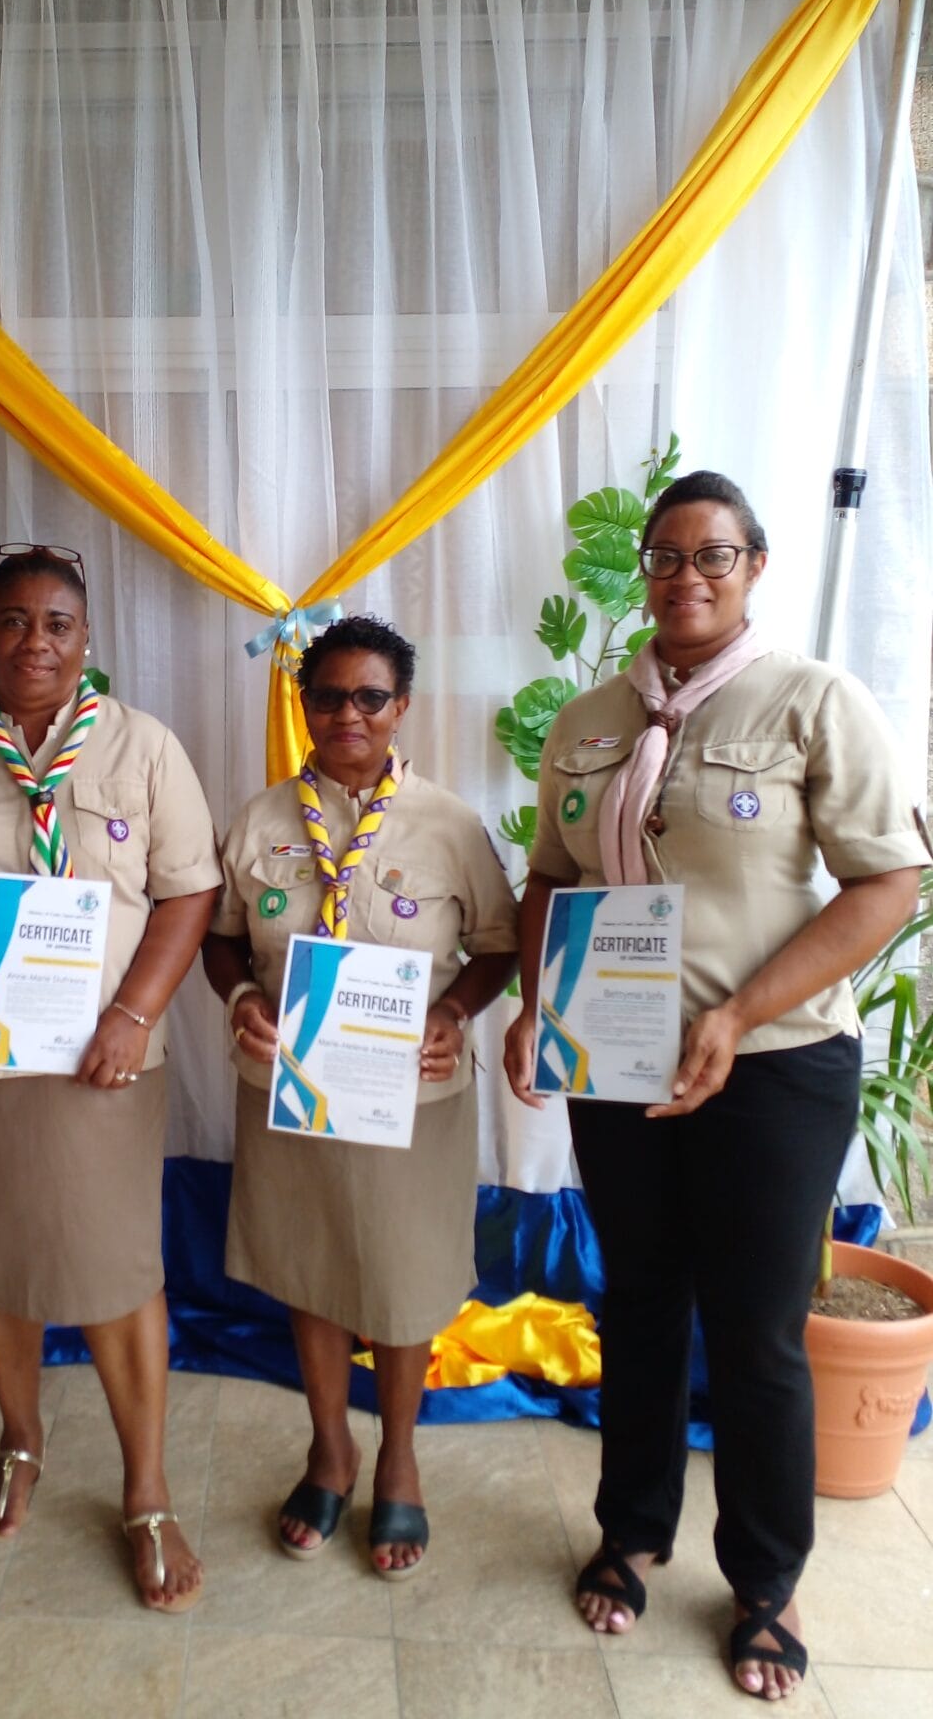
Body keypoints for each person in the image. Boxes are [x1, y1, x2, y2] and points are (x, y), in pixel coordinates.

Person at [503, 469, 929, 1701]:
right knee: (638, 1300)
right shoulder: (590, 718)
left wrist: (737, 1016)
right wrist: (537, 1006)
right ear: (644, 570)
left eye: (714, 555)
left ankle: (766, 1581)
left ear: (754, 568)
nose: (686, 576)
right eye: (667, 555)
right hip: (613, 1054)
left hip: (774, 1066)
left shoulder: (813, 700)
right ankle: (632, 1531)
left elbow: (886, 883)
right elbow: (551, 878)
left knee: (755, 1331)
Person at [0, 543, 221, 1614]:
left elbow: (188, 894)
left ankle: (147, 1490)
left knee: (121, 1274)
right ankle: (21, 1439)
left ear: (87, 639)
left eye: (58, 624)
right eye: (13, 621)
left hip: (104, 1063)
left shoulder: (144, 749)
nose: (34, 642)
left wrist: (134, 1015)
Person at [203, 615, 518, 1578]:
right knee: (314, 1269)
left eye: (370, 697)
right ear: (304, 705)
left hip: (412, 1098)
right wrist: (244, 998)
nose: (349, 714)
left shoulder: (449, 824)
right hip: (289, 1090)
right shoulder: (260, 820)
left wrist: (454, 1013)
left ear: (401, 707)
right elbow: (221, 937)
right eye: (329, 696)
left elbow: (498, 946)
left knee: (403, 1281)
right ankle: (330, 1448)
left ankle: (400, 1459)